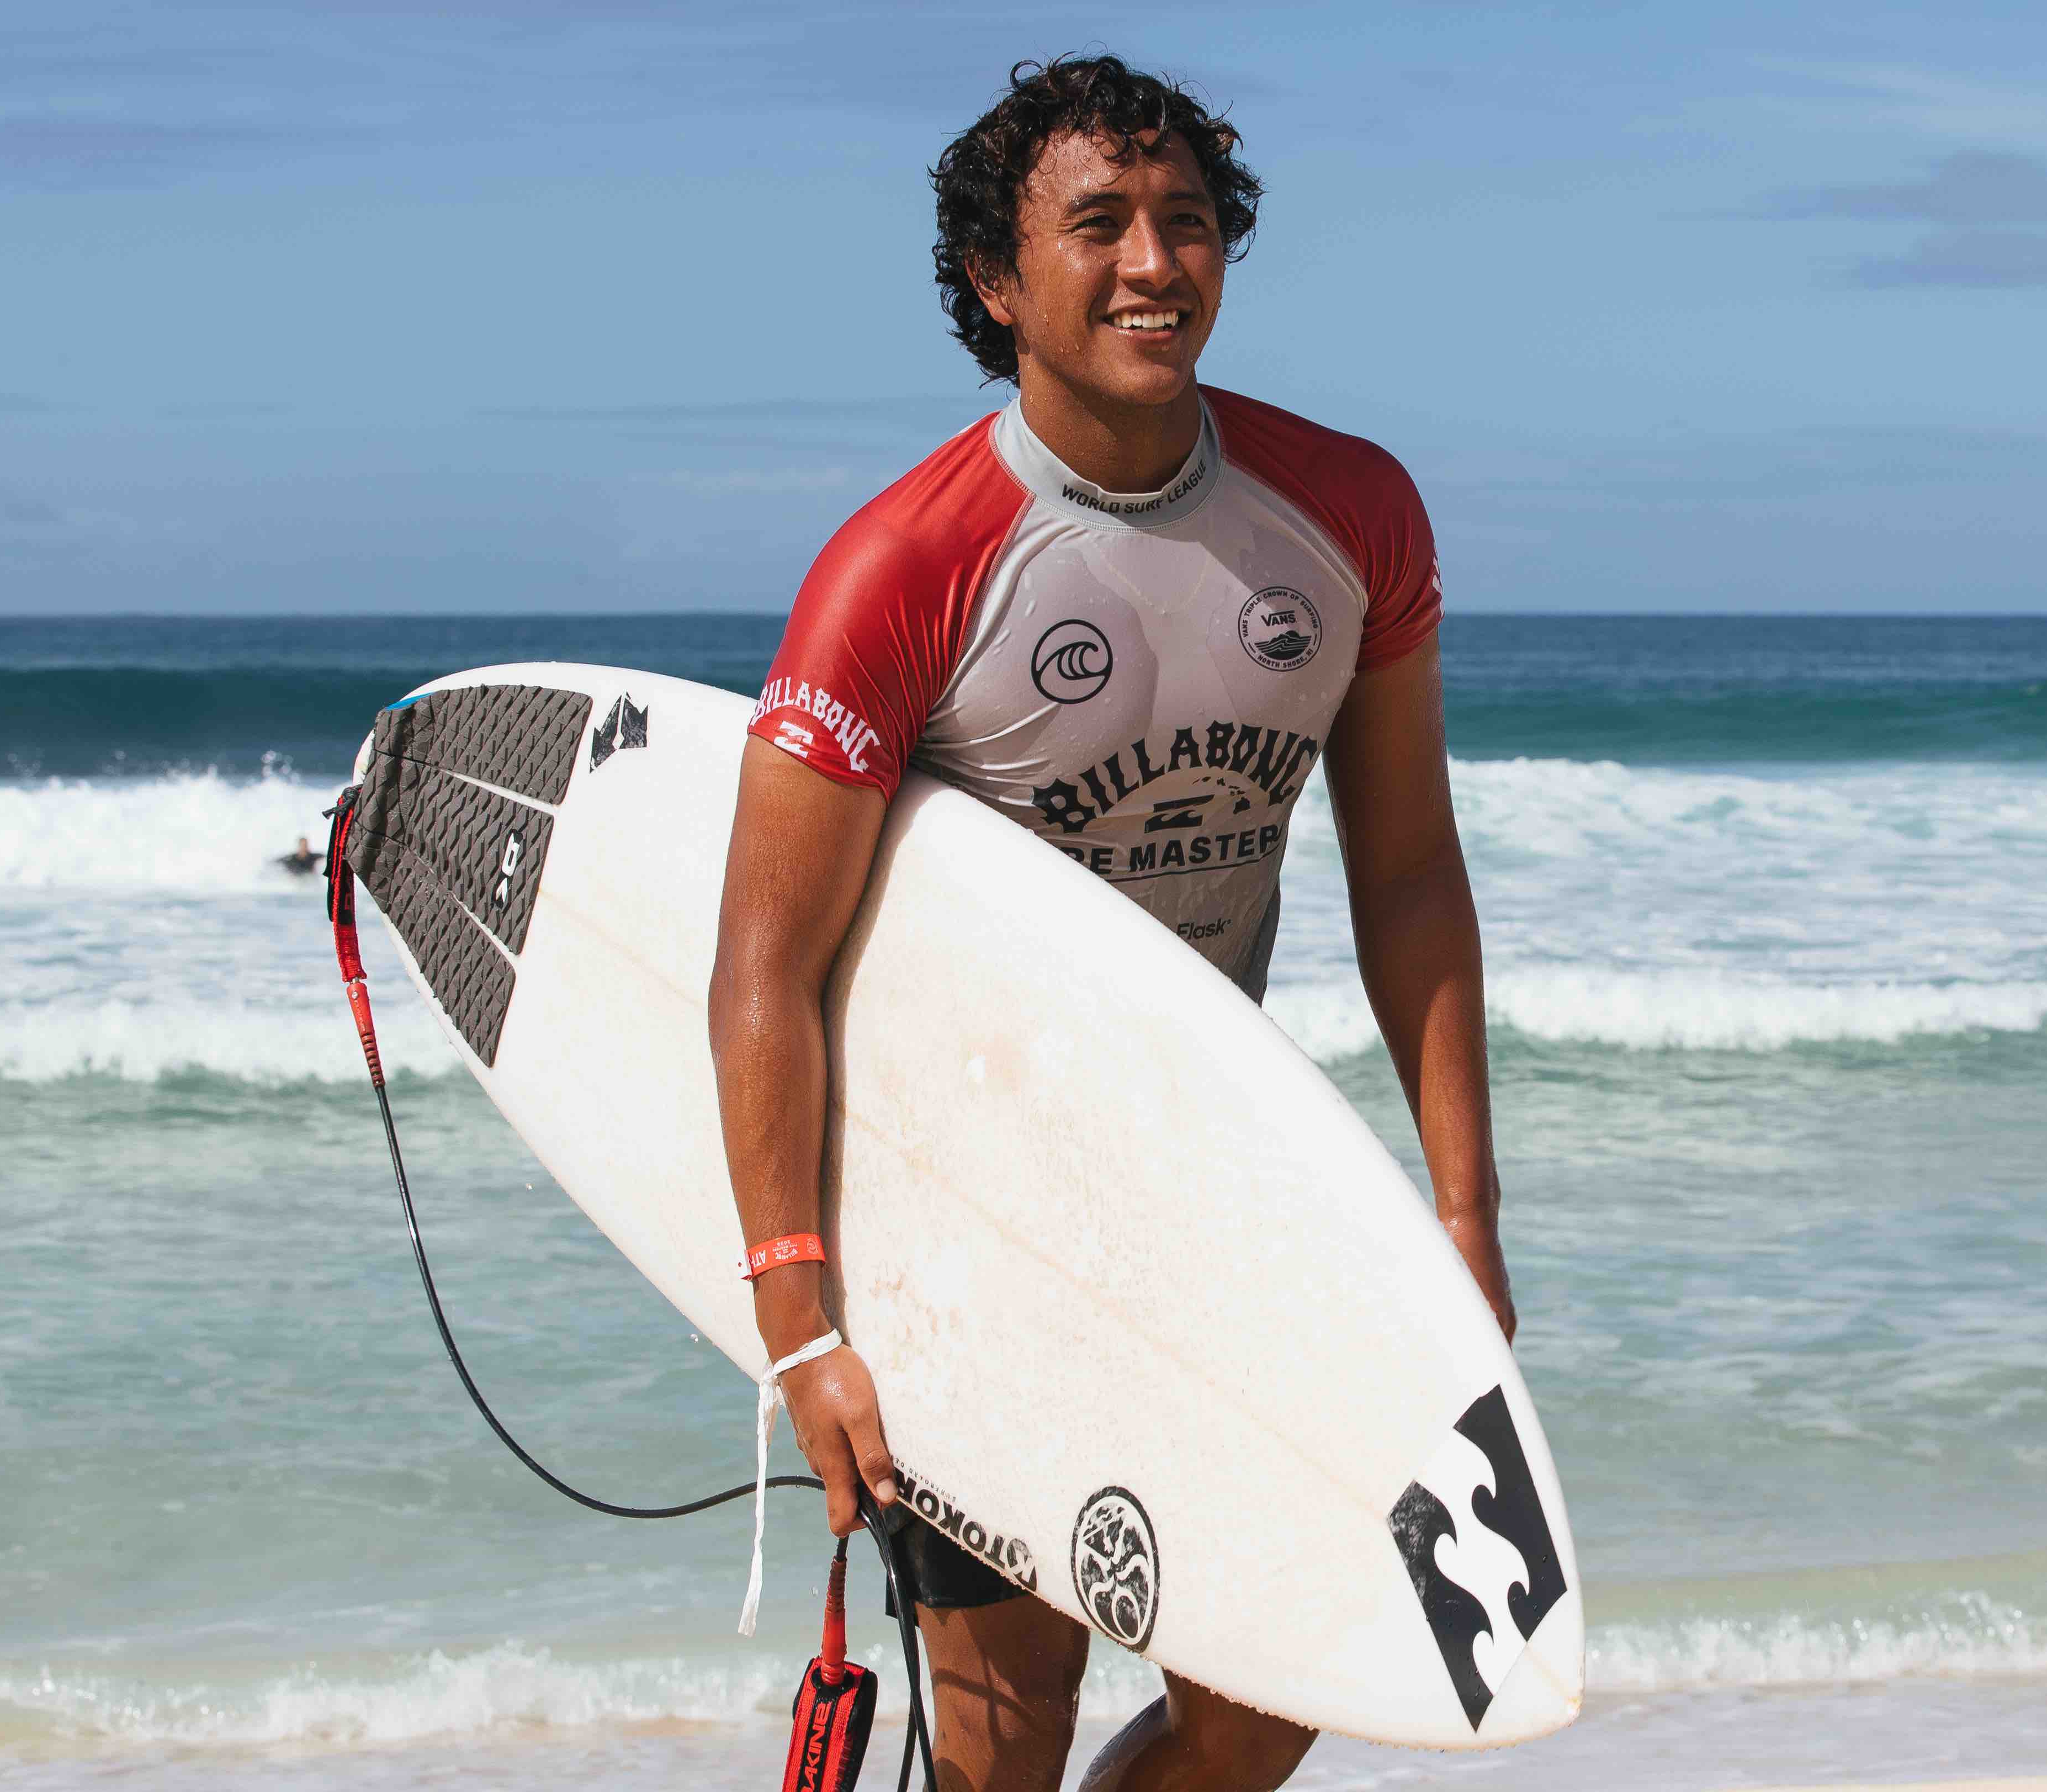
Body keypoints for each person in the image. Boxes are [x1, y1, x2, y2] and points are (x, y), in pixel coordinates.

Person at [707, 55, 1513, 1792]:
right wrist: (803, 1328)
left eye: (1188, 220)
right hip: (959, 1219)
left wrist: (1463, 1212)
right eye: (1099, 224)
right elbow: (763, 965)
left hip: (1210, 1184)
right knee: (1008, 1726)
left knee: (1279, 1686)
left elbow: (1410, 878)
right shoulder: (905, 568)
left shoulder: (1350, 516)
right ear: (995, 282)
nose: (1156, 262)